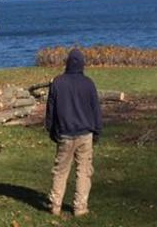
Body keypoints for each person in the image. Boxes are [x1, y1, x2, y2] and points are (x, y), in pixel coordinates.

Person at [44, 48, 102, 217]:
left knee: (60, 171)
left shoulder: (57, 83)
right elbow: (96, 110)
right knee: (84, 172)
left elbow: (51, 111)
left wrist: (51, 130)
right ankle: (80, 207)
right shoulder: (88, 84)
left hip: (65, 134)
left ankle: (55, 205)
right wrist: (97, 131)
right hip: (85, 134)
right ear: (82, 64)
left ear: (67, 64)